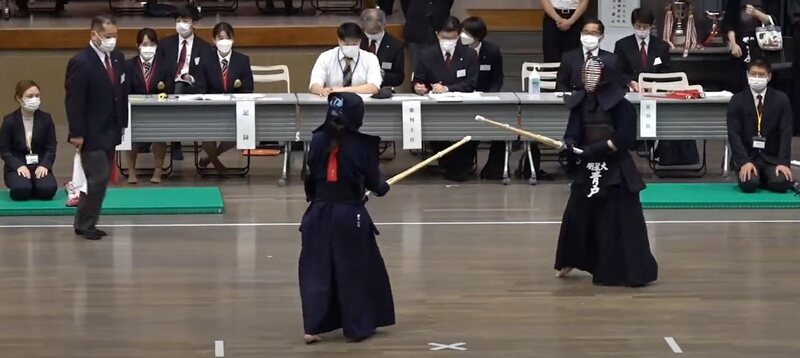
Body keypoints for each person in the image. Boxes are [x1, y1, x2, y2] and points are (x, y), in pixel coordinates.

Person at [554, 55, 658, 287]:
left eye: (595, 73)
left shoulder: (622, 105)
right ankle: (570, 259)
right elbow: (573, 131)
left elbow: (624, 138)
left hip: (615, 170)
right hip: (588, 168)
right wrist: (570, 144)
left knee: (617, 220)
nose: (589, 78)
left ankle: (624, 270)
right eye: (586, 73)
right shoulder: (580, 102)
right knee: (577, 215)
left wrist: (596, 149)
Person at [299, 92, 394, 344]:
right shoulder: (362, 145)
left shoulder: (317, 139)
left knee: (316, 270)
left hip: (316, 214)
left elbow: (313, 177)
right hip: (348, 216)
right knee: (354, 269)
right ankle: (357, 327)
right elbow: (377, 185)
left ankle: (313, 326)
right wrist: (382, 187)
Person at [65, 15, 126, 241]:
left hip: (111, 130)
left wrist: (123, 125)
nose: (112, 40)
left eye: (115, 36)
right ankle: (87, 223)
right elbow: (74, 100)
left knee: (100, 180)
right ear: (94, 35)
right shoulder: (81, 62)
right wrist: (76, 133)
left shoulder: (118, 59)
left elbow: (120, 93)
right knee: (98, 177)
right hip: (90, 132)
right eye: (108, 36)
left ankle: (84, 222)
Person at [413, 16, 480, 181]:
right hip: (435, 109)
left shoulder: (470, 54)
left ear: (458, 36)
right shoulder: (425, 55)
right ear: (437, 35)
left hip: (463, 108)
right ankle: (448, 166)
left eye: (452, 38)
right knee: (435, 131)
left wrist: (448, 88)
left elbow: (471, 83)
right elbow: (417, 80)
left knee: (471, 135)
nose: (447, 41)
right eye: (444, 37)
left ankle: (460, 167)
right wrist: (418, 87)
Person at [727, 58, 794, 193]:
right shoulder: (737, 100)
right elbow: (733, 134)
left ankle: (764, 176)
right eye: (753, 74)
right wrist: (743, 162)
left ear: (769, 77)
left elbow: (785, 132)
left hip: (771, 158)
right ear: (747, 75)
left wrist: (783, 162)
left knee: (782, 182)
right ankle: (758, 177)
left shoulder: (781, 100)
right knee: (749, 183)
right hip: (748, 157)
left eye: (761, 75)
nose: (756, 78)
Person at [198, 22, 254, 175]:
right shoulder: (205, 59)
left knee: (241, 129)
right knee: (205, 131)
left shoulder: (242, 60)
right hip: (211, 108)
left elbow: (248, 87)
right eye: (220, 38)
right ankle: (217, 164)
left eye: (227, 38)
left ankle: (210, 159)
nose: (224, 41)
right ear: (214, 40)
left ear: (233, 39)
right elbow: (201, 87)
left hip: (234, 108)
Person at [158, 4, 213, 160]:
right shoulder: (164, 44)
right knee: (176, 87)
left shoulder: (205, 48)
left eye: (185, 20)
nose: (181, 23)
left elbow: (206, 75)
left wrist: (191, 78)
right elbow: (160, 70)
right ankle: (171, 140)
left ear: (194, 22)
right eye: (178, 20)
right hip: (168, 88)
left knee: (181, 87)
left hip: (194, 88)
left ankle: (175, 140)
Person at [459, 16, 507, 180]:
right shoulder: (459, 50)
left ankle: (494, 169)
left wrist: (490, 96)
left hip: (487, 99)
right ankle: (463, 167)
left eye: (466, 32)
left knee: (501, 130)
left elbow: (497, 79)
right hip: (464, 98)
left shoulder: (491, 51)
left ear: (477, 35)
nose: (462, 35)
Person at [125, 28, 173, 184]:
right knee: (131, 135)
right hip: (135, 110)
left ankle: (158, 170)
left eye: (151, 44)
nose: (148, 47)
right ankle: (131, 170)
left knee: (160, 135)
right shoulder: (129, 65)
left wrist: (156, 99)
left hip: (158, 110)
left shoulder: (165, 66)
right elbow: (125, 89)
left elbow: (169, 90)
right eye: (145, 44)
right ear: (137, 45)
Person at [0, 80, 57, 201]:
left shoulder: (46, 119)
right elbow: (4, 150)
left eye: (37, 95)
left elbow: (51, 147)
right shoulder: (9, 121)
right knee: (21, 190)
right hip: (18, 167)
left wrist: (44, 165)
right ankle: (28, 186)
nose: (34, 99)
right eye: (30, 96)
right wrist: (18, 166)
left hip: (39, 165)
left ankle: (35, 185)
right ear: (19, 99)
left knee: (48, 190)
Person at [309, 23, 382, 96]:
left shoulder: (370, 58)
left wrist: (342, 90)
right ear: (339, 41)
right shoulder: (326, 57)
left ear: (360, 41)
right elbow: (314, 84)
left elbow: (374, 87)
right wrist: (322, 90)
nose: (351, 47)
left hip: (362, 104)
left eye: (355, 44)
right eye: (347, 44)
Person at [614, 8, 671, 92]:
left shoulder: (662, 46)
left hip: (655, 91)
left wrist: (654, 85)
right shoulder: (622, 45)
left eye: (645, 26)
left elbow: (666, 71)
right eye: (638, 26)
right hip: (631, 90)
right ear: (633, 24)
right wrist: (629, 82)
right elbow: (617, 71)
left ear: (651, 26)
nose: (641, 29)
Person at [724, 0, 775, 93]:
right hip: (741, 44)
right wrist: (733, 44)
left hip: (762, 44)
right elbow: (729, 24)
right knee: (738, 79)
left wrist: (756, 13)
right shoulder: (734, 2)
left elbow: (772, 21)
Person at [556, 19, 621, 92]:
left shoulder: (611, 59)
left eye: (594, 33)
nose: (589, 36)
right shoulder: (568, 57)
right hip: (574, 99)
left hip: (601, 100)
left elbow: (615, 85)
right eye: (585, 32)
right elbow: (561, 84)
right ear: (581, 34)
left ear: (601, 37)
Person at [360, 8, 405, 88]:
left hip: (383, 90)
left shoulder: (395, 45)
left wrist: (382, 75)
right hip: (359, 87)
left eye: (374, 32)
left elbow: (399, 78)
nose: (371, 35)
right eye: (368, 32)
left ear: (383, 24)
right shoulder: (356, 41)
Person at [402, 0, 454, 67]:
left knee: (440, 66)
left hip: (440, 27)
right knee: (418, 66)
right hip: (417, 27)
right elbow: (405, 4)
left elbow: (448, 3)